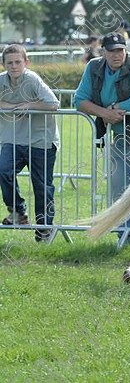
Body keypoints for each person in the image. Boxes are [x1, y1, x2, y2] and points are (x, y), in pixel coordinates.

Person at [74, 32, 130, 246]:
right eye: (112, 51)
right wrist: (104, 114)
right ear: (103, 52)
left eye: (121, 50)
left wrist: (114, 108)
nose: (117, 55)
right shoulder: (94, 67)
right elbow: (79, 99)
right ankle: (125, 236)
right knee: (119, 188)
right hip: (120, 138)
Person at [0, 44, 60, 242]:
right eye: (10, 62)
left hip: (41, 140)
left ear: (26, 62)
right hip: (13, 139)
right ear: (3, 64)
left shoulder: (32, 79)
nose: (14, 66)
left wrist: (30, 105)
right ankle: (18, 212)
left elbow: (53, 104)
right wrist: (12, 106)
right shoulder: (1, 81)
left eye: (18, 62)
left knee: (42, 186)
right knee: (3, 171)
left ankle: (44, 227)